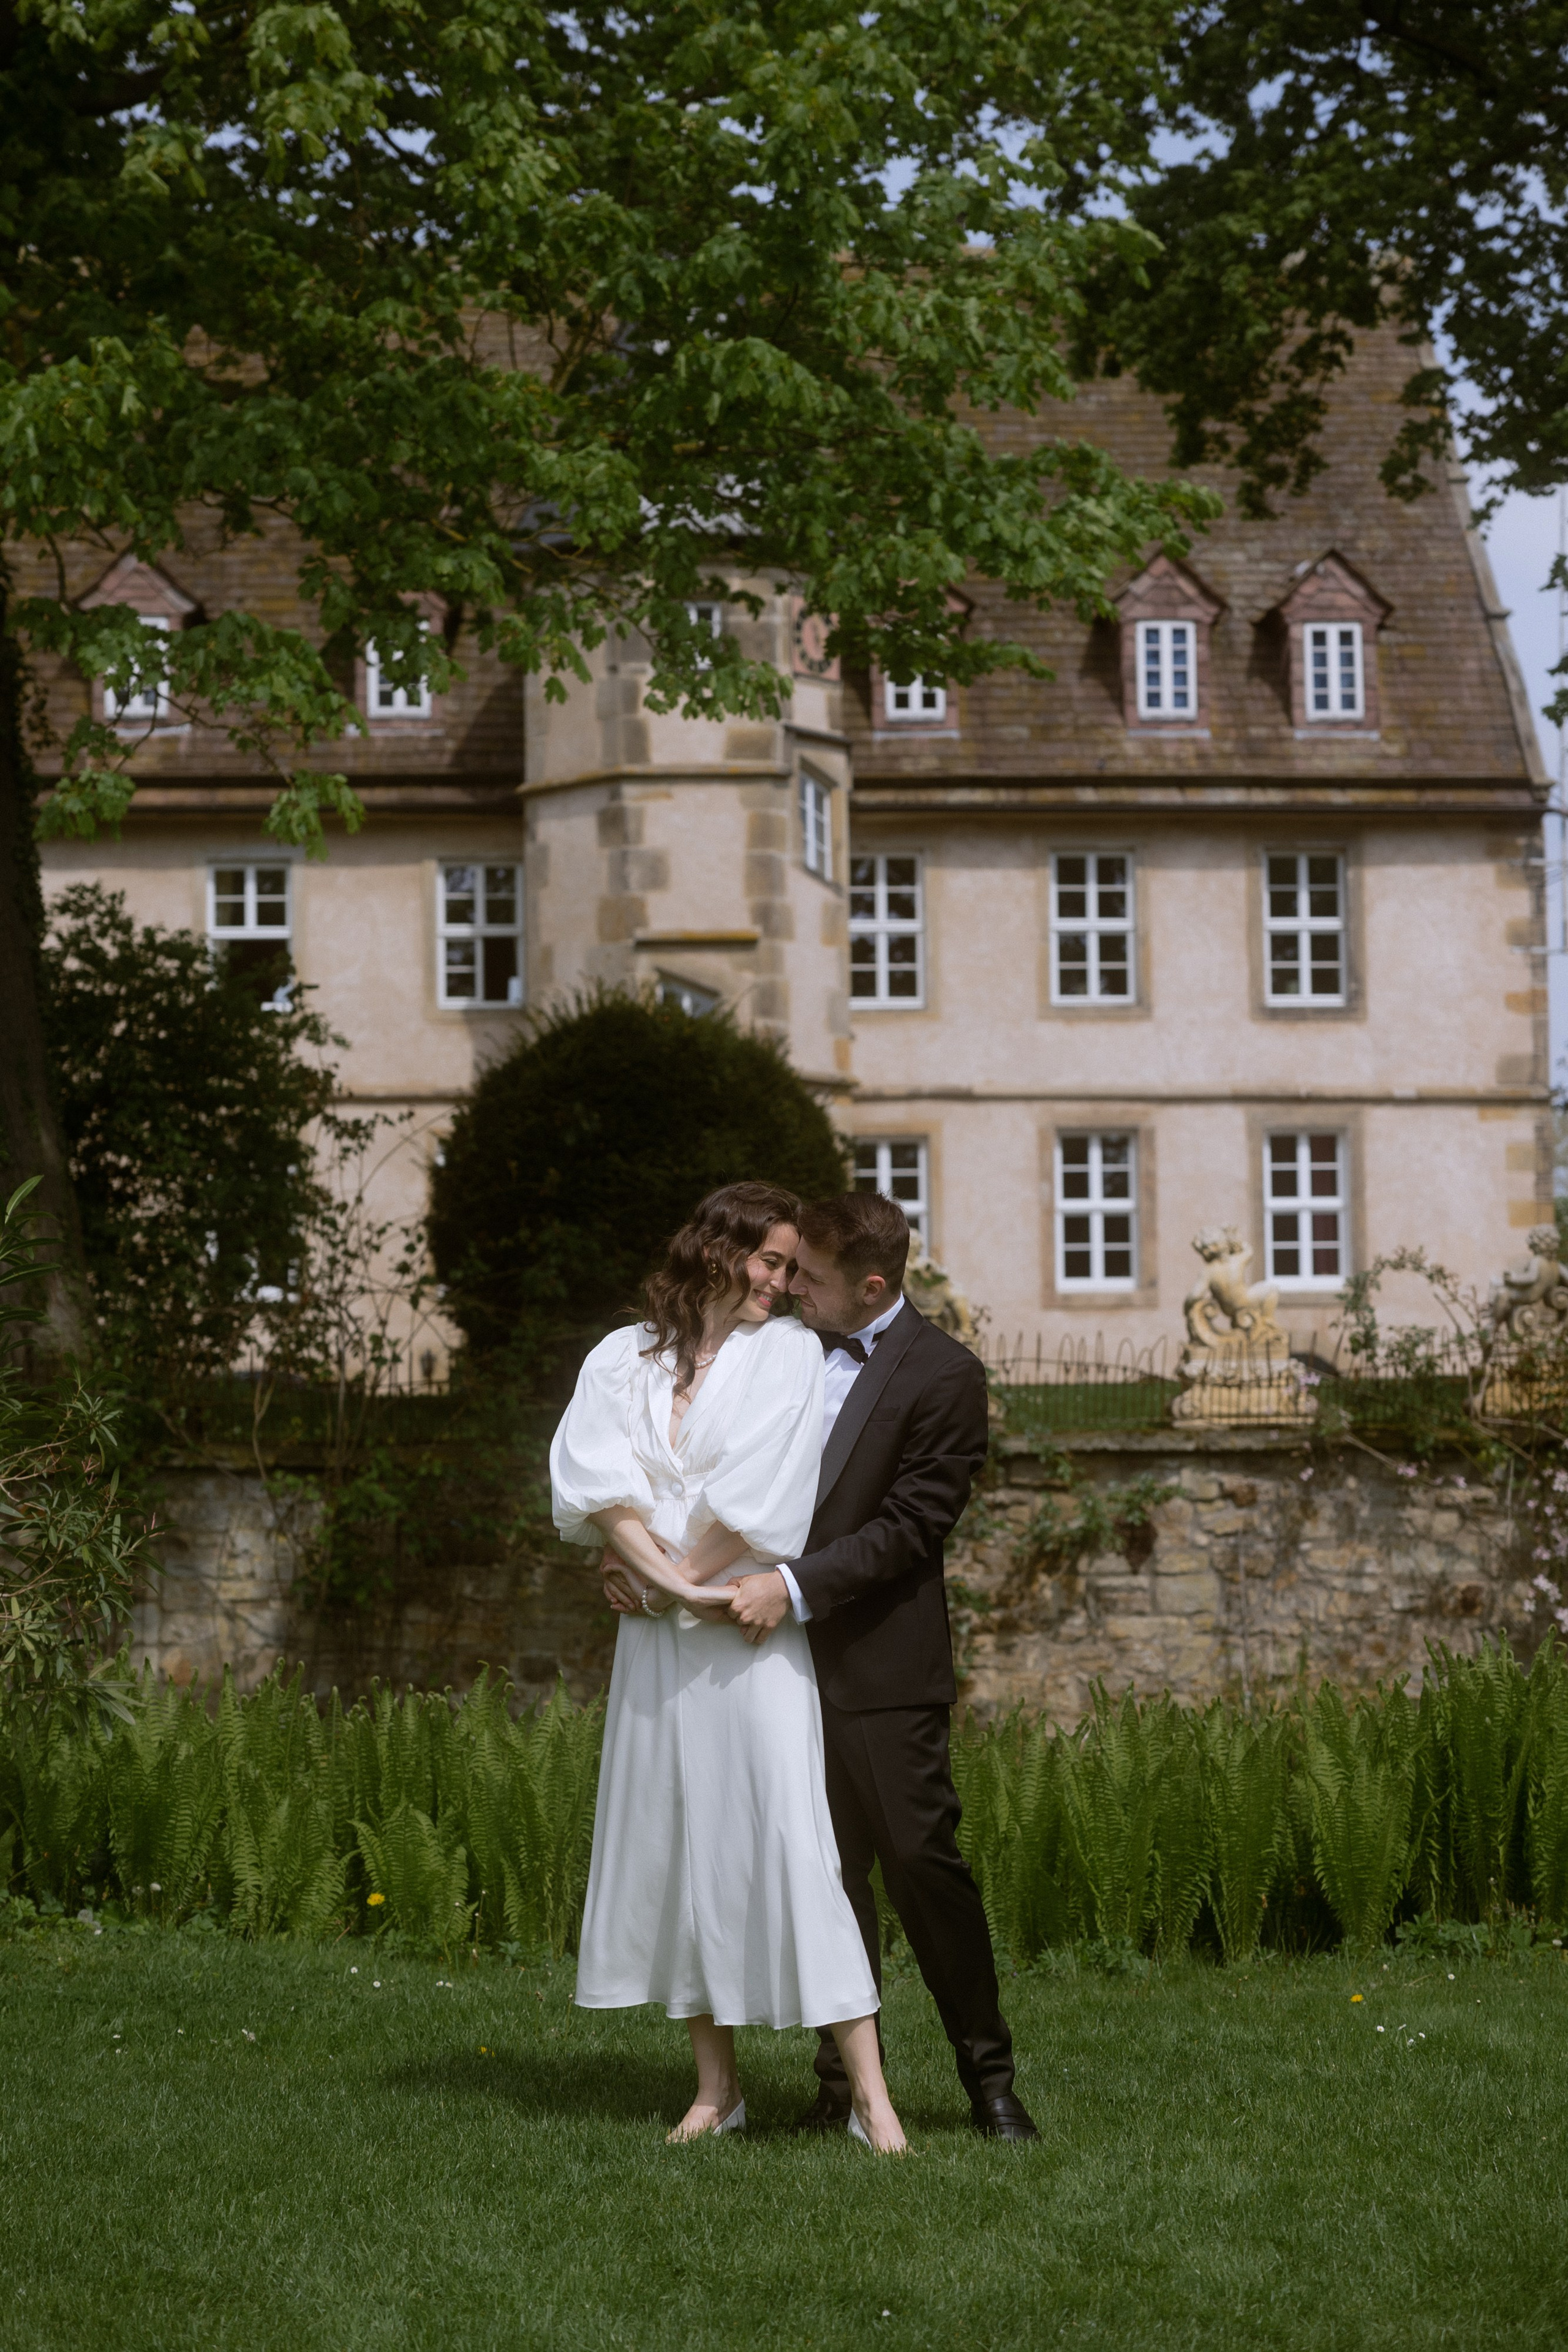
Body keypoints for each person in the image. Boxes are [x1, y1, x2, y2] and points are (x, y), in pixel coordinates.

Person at [550, 1180, 907, 2153]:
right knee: (682, 1854)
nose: (784, 1285)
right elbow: (600, 1483)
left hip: (745, 1641)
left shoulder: (789, 1355)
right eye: (771, 1262)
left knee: (793, 1846)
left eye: (795, 1269)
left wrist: (675, 1583)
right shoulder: (621, 1359)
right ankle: (718, 2090)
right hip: (661, 1649)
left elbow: (761, 1495)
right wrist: (646, 1575)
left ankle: (873, 2096)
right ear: (717, 1250)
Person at [724, 1191, 1039, 2143]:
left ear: (871, 1285)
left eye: (809, 1280)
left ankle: (989, 2082)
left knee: (920, 1867)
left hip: (884, 1667)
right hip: (773, 1663)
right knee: (822, 1874)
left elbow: (912, 1530)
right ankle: (843, 2083)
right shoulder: (774, 1352)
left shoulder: (945, 1375)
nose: (790, 1293)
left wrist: (794, 1584)